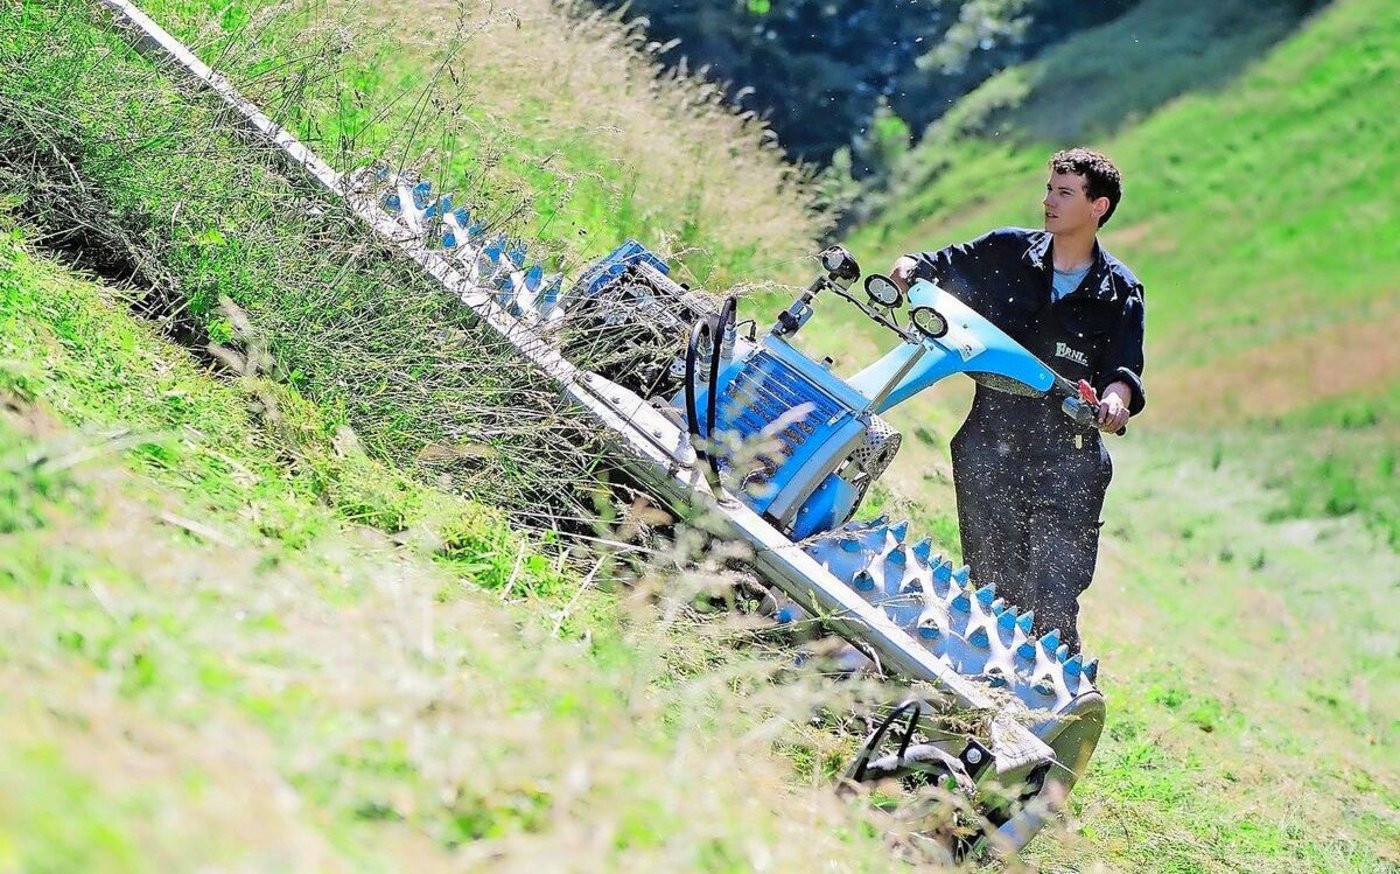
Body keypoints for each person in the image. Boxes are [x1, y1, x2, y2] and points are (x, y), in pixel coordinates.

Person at [887, 147, 1145, 656]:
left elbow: (1124, 372)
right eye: (1050, 188)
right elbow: (935, 266)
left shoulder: (1121, 291)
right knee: (993, 595)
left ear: (1099, 207)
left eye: (1064, 193)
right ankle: (988, 705)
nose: (1048, 201)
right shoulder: (1005, 251)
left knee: (1052, 605)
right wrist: (907, 266)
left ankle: (1054, 719)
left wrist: (1115, 402)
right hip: (989, 443)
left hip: (1067, 462)